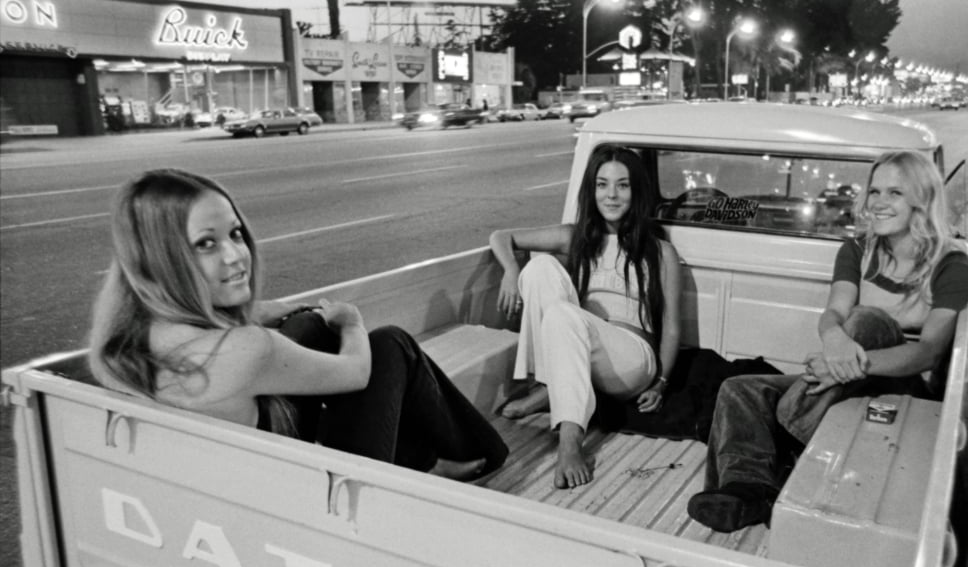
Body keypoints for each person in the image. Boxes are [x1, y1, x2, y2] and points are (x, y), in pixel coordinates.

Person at [88, 169, 507, 479]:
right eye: (206, 244)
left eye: (235, 234)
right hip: (308, 488)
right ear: (160, 258)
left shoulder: (124, 342)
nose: (236, 256)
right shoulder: (244, 349)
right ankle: (469, 452)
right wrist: (350, 323)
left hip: (244, 478)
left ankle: (421, 458)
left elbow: (250, 320)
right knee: (389, 345)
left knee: (306, 325)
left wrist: (280, 313)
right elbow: (357, 373)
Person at [687, 150, 968, 532]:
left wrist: (843, 360)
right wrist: (835, 342)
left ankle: (787, 441)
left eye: (895, 193)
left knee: (868, 319)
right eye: (874, 191)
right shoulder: (858, 250)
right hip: (841, 378)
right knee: (739, 389)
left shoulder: (950, 266)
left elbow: (927, 353)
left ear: (922, 200)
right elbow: (834, 314)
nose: (878, 203)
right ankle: (749, 491)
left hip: (903, 387)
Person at [489, 144, 682, 489]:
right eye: (602, 184)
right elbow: (502, 237)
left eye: (623, 185)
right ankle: (550, 387)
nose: (611, 195)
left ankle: (569, 440)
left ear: (636, 192)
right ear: (591, 190)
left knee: (565, 314)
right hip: (583, 345)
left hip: (631, 361)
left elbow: (670, 325)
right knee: (539, 268)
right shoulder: (576, 237)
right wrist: (509, 271)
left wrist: (662, 382)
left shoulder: (660, 251)